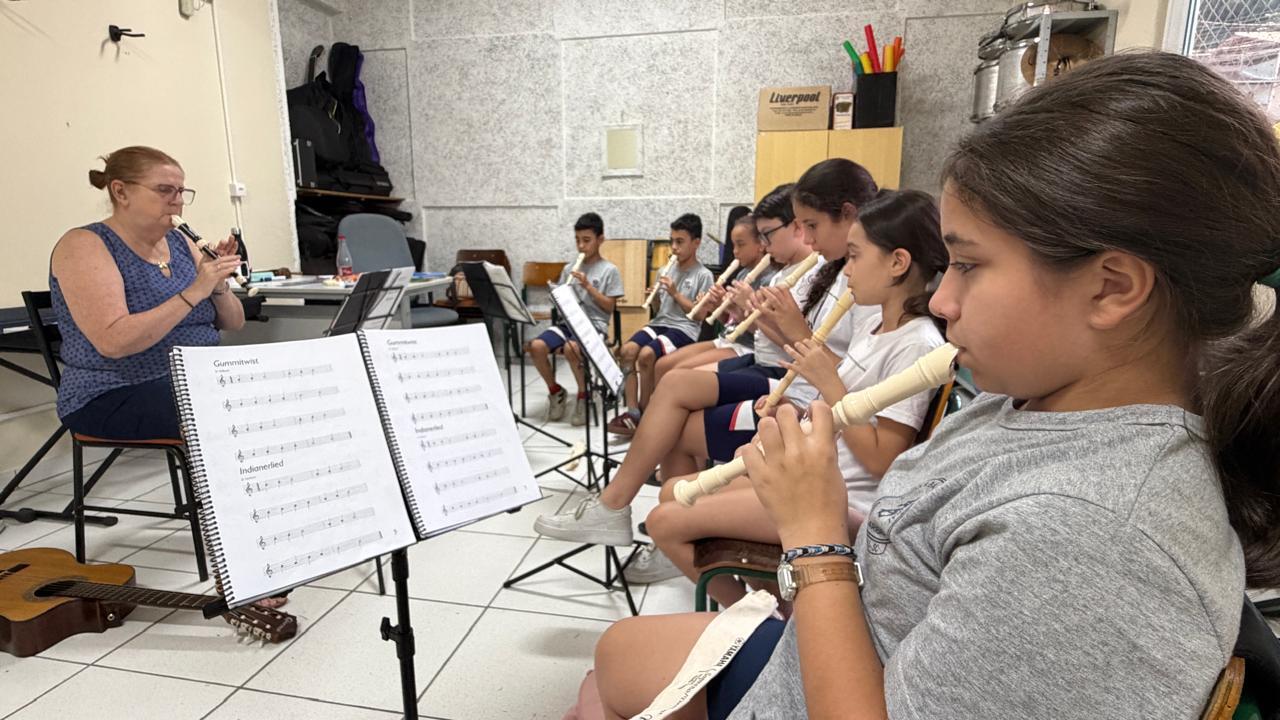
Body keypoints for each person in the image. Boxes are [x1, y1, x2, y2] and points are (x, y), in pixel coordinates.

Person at [587, 52, 1280, 719]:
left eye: (969, 266)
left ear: (1113, 288)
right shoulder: (1038, 398)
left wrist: (814, 534)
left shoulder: (1087, 536)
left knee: (606, 680)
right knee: (615, 658)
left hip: (839, 676)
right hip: (850, 647)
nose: (943, 301)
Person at [534, 161, 879, 548]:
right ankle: (638, 515)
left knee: (675, 402)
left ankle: (647, 520)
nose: (808, 239)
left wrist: (781, 325)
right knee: (672, 392)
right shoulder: (831, 271)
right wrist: (754, 315)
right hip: (792, 387)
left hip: (797, 400)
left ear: (848, 215)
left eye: (810, 226)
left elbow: (833, 368)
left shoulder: (859, 282)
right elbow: (801, 345)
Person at [640, 189, 947, 593]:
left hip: (840, 499)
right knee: (669, 492)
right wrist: (793, 417)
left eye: (855, 257)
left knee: (664, 521)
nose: (847, 271)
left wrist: (828, 383)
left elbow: (881, 459)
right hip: (814, 474)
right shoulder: (877, 328)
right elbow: (845, 412)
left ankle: (756, 619)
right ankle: (772, 600)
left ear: (897, 262)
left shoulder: (918, 344)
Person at [51, 145, 245, 442]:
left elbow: (235, 322)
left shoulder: (183, 242)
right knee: (226, 413)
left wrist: (217, 283)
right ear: (121, 192)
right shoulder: (84, 244)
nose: (177, 201)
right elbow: (114, 342)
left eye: (181, 192)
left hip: (198, 377)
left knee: (275, 390)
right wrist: (195, 290)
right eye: (164, 190)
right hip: (113, 390)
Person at [645, 214, 778, 394]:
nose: (735, 251)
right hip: (727, 338)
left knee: (678, 372)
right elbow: (729, 321)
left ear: (761, 244)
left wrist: (741, 306)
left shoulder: (771, 280)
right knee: (662, 364)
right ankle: (650, 408)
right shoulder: (743, 273)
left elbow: (761, 330)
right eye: (733, 245)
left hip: (746, 347)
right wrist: (717, 306)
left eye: (741, 245)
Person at [608, 214, 713, 433]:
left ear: (696, 243)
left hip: (684, 328)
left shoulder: (704, 275)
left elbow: (699, 315)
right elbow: (658, 310)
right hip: (660, 322)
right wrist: (655, 298)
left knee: (647, 355)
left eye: (680, 242)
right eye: (672, 241)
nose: (674, 248)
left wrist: (675, 293)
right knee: (627, 351)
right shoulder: (665, 270)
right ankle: (632, 411)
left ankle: (646, 413)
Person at [525, 212, 624, 426]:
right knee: (536, 346)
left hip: (594, 325)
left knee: (573, 350)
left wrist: (588, 286)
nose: (581, 246)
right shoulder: (569, 268)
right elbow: (562, 302)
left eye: (586, 240)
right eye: (577, 240)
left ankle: (583, 395)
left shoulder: (610, 270)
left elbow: (609, 306)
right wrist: (557, 294)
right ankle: (555, 391)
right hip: (568, 324)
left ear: (600, 239)